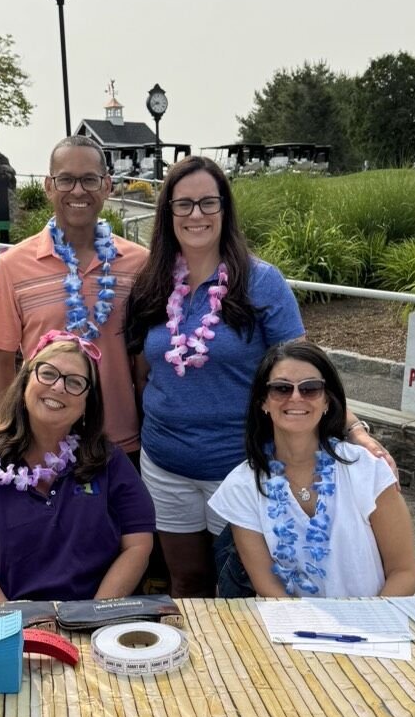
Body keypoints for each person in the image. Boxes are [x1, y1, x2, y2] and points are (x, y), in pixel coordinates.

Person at [124, 156, 385, 597]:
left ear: (225, 209)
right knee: (185, 582)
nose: (196, 215)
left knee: (241, 586)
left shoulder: (261, 282)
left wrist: (355, 430)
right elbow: (143, 373)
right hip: (166, 467)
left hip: (241, 467)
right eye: (183, 204)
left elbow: (305, 371)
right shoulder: (150, 283)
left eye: (208, 203)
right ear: (167, 214)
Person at [0, 331, 155, 602]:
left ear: (86, 403)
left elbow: (138, 543)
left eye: (74, 382)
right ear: (25, 382)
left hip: (82, 620)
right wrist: (12, 625)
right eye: (47, 374)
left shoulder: (109, 462)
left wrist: (94, 615)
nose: (58, 387)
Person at [208, 341, 415, 598]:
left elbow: (403, 571)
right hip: (295, 629)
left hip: (376, 624)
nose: (296, 397)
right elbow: (270, 589)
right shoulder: (242, 486)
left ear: (327, 401)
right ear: (263, 402)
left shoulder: (367, 469)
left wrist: (367, 627)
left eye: (310, 388)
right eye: (282, 388)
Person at [0, 136, 147, 454]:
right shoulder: (13, 266)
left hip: (123, 444)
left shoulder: (139, 264)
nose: (78, 191)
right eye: (66, 180)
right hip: (43, 445)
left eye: (89, 179)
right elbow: (0, 362)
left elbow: (144, 366)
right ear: (48, 186)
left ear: (107, 185)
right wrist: (1, 443)